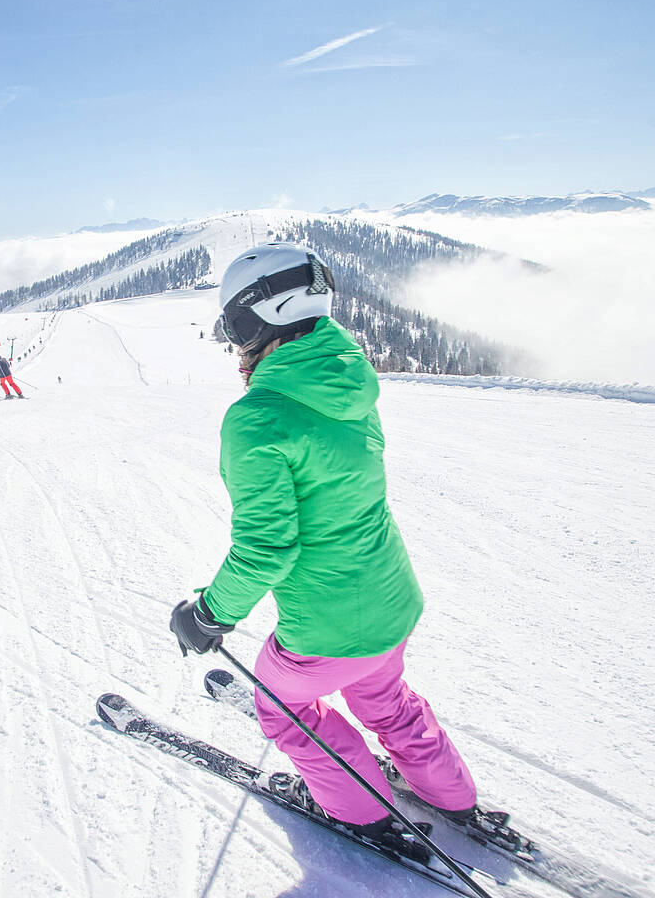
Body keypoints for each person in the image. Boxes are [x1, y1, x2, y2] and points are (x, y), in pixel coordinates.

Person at [170, 243, 479, 854]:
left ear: (259, 322)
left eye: (234, 328)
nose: (235, 348)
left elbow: (266, 552)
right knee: (386, 698)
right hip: (391, 602)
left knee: (282, 706)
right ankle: (451, 794)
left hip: (327, 632)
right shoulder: (351, 385)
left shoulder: (258, 417)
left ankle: (359, 810)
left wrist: (210, 613)